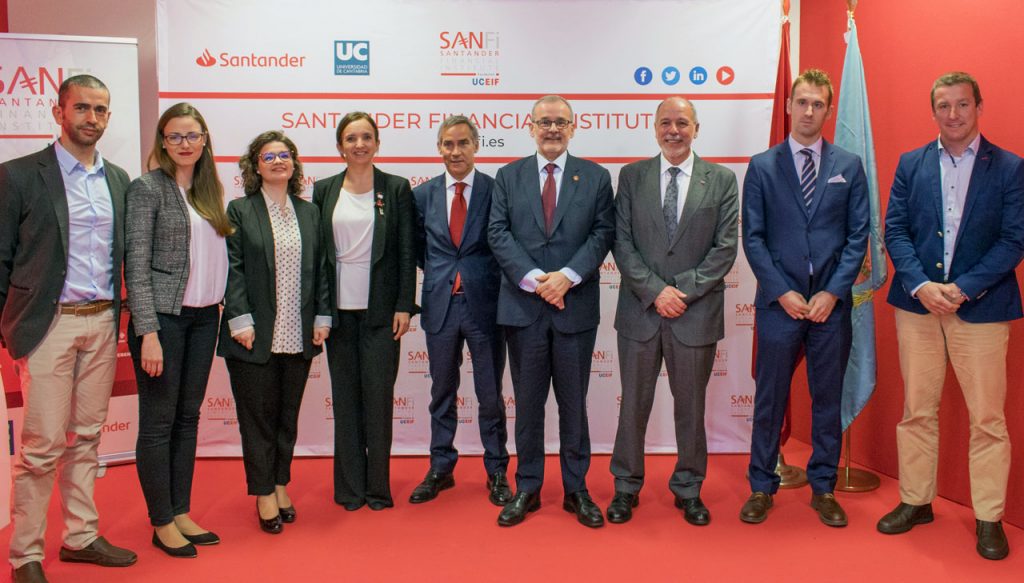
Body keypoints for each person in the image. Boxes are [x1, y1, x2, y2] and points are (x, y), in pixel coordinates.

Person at [879, 72, 1024, 561]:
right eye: (944, 105)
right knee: (917, 411)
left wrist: (962, 288)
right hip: (917, 305)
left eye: (962, 104)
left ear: (979, 106)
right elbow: (895, 229)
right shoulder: (911, 163)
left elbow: (1014, 239)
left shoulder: (1010, 168)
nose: (953, 114)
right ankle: (916, 501)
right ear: (934, 111)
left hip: (981, 308)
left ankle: (989, 517)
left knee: (988, 420)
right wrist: (921, 284)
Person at [1, 74, 137, 583]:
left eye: (101, 110)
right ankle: (25, 555)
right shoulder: (18, 175)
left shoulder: (118, 179)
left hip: (102, 323)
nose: (92, 118)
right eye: (82, 108)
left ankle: (80, 537)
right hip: (47, 325)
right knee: (41, 447)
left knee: (86, 438)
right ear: (59, 112)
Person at [740, 69, 869, 527]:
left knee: (827, 400)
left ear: (828, 111)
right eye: (802, 102)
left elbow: (858, 236)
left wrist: (833, 293)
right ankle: (761, 486)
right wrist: (782, 292)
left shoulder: (849, 165)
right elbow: (753, 238)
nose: (809, 111)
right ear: (789, 106)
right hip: (780, 305)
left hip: (830, 307)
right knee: (769, 399)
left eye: (817, 104)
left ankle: (824, 487)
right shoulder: (762, 165)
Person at [607, 97, 739, 526]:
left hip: (694, 313)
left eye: (682, 122)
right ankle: (625, 487)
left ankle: (689, 488)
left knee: (691, 408)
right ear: (654, 128)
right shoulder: (632, 176)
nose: (674, 130)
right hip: (640, 312)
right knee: (632, 406)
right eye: (666, 122)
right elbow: (621, 243)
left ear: (696, 128)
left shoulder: (721, 180)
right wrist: (655, 291)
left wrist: (679, 291)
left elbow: (725, 249)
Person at [488, 95, 615, 528]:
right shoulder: (508, 176)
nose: (552, 129)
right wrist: (535, 279)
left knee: (573, 404)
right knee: (527, 405)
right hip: (523, 307)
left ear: (573, 127)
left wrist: (567, 277)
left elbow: (602, 233)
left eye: (561, 121)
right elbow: (498, 232)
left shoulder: (595, 177)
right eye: (544, 122)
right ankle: (527, 486)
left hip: (574, 307)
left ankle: (576, 489)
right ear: (530, 127)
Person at [125, 102, 232, 558]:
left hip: (205, 319)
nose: (185, 144)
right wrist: (147, 331)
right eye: (175, 136)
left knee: (188, 418)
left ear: (204, 140)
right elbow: (136, 265)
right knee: (158, 421)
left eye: (193, 135)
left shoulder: (210, 191)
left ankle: (181, 510)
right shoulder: (147, 188)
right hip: (163, 322)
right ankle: (161, 520)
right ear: (163, 142)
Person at [219, 131, 332, 534]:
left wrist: (323, 316)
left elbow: (322, 268)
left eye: (284, 155)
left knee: (287, 418)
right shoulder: (239, 210)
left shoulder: (309, 212)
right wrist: (239, 319)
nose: (278, 161)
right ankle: (264, 492)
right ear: (256, 166)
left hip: (298, 334)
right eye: (269, 156)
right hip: (252, 335)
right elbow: (232, 268)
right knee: (258, 421)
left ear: (294, 164)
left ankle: (281, 484)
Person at [313, 112, 417, 511]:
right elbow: (318, 256)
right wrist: (320, 311)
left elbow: (406, 251)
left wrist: (404, 304)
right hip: (338, 316)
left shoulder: (395, 188)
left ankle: (377, 489)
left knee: (377, 400)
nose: (359, 144)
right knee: (345, 401)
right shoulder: (324, 190)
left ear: (377, 143)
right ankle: (349, 489)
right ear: (340, 146)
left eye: (366, 137)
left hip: (381, 314)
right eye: (351, 138)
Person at [410, 116, 511, 506]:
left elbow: (503, 244)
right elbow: (418, 250)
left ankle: (497, 470)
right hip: (440, 305)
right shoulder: (422, 195)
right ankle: (441, 467)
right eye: (448, 144)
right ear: (439, 148)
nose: (456, 151)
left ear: (476, 146)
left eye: (463, 143)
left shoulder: (495, 190)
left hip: (485, 306)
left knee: (490, 394)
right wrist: (444, 276)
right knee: (441, 391)